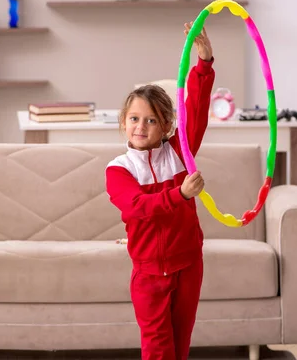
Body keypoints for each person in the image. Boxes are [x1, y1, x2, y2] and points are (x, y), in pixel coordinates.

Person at [105, 22, 215, 360]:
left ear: (166, 126)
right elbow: (137, 207)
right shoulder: (118, 169)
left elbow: (195, 110)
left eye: (151, 120)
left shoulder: (181, 151)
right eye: (135, 119)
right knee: (158, 349)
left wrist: (205, 61)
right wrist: (179, 195)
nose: (141, 126)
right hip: (149, 273)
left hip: (188, 265)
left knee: (180, 346)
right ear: (123, 122)